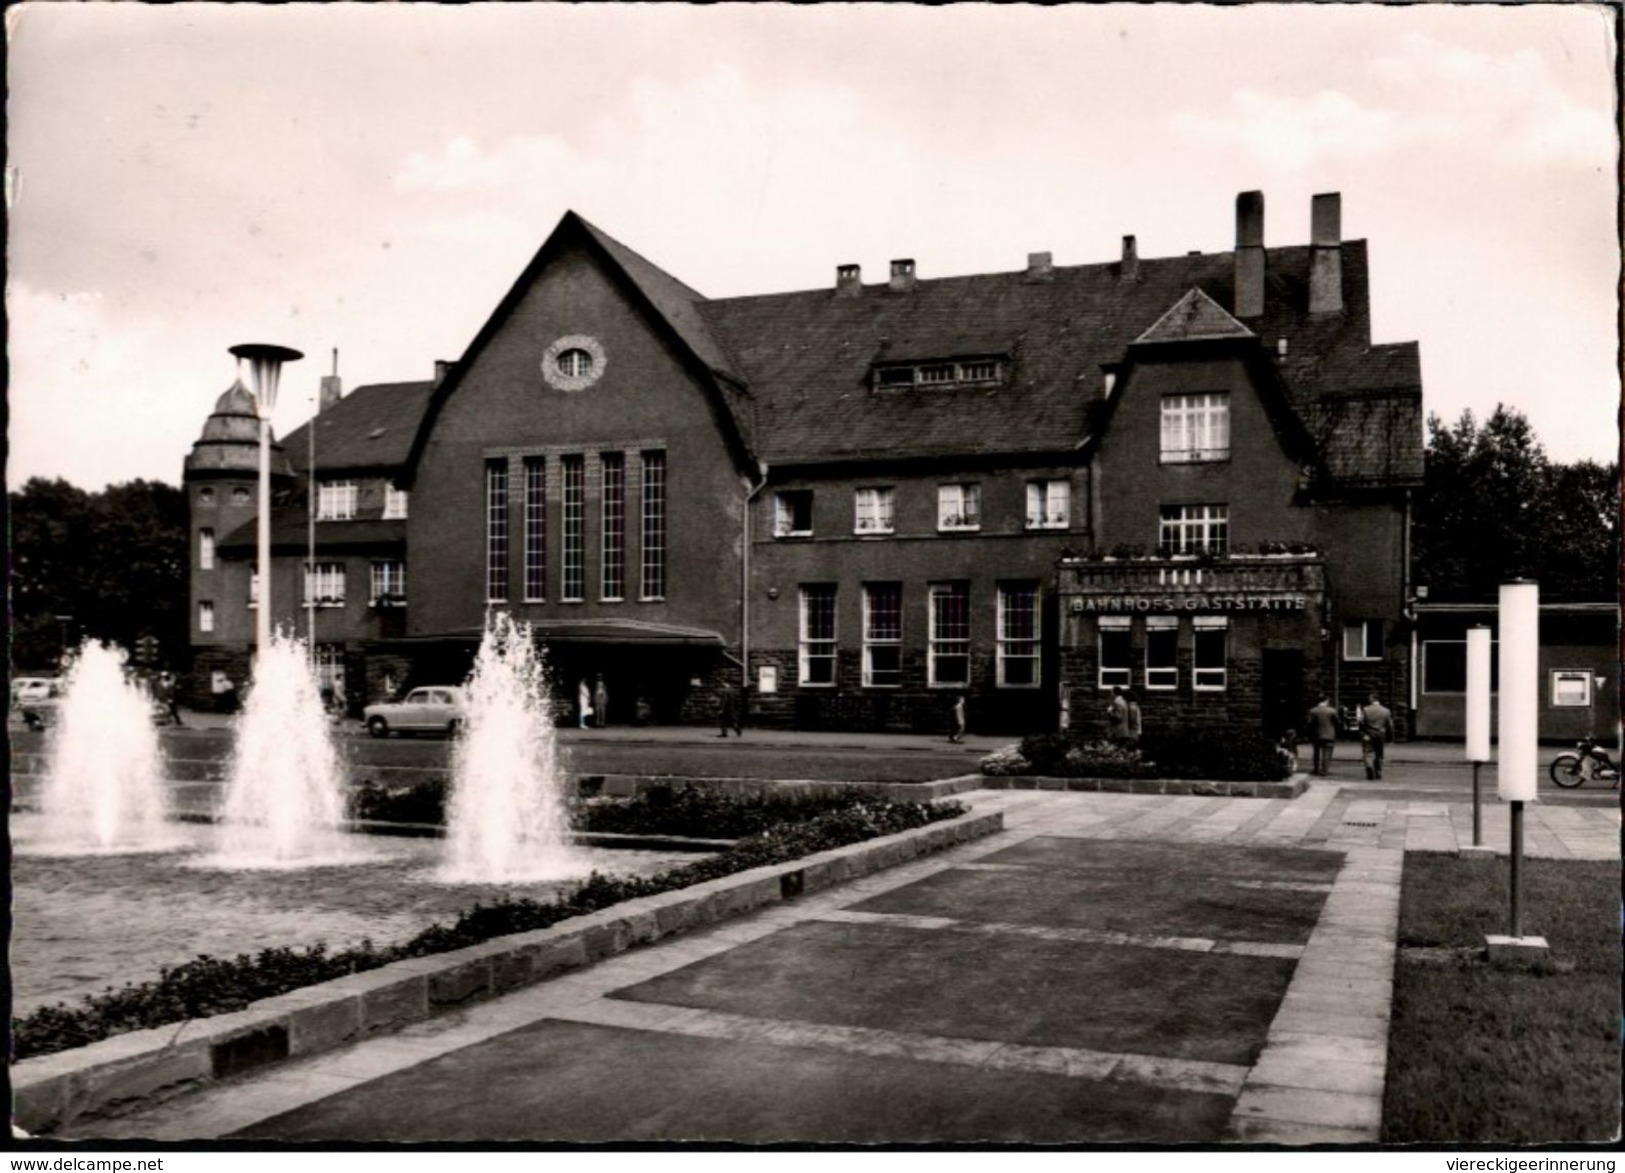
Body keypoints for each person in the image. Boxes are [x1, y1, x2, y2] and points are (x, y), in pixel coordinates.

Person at [1359, 692, 1394, 780]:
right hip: (1380, 734)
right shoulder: (1386, 711)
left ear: (1372, 699)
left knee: (1367, 752)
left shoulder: (1366, 709)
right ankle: (1378, 771)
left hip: (1369, 734)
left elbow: (1361, 722)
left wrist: (1363, 732)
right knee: (1379, 753)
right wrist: (1390, 736)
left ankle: (1369, 767)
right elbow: (1390, 725)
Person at [1307, 695, 1340, 776]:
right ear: (1326, 701)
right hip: (1329, 734)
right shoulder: (1332, 711)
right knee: (1327, 753)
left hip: (1316, 734)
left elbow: (1309, 724)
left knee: (1316, 752)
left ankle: (1316, 769)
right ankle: (1324, 770)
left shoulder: (1313, 711)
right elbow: (1337, 722)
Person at [1124, 688, 1143, 752]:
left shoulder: (1131, 707)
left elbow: (1131, 720)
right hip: (1135, 733)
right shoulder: (1135, 707)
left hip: (1131, 733)